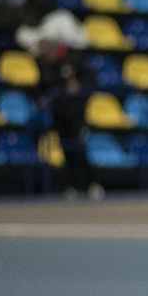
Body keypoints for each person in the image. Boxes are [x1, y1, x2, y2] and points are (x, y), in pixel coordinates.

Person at [44, 60, 102, 201]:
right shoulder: (56, 81)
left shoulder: (83, 76)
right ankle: (71, 186)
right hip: (62, 124)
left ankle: (90, 185)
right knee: (67, 156)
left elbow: (92, 86)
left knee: (81, 154)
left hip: (78, 123)